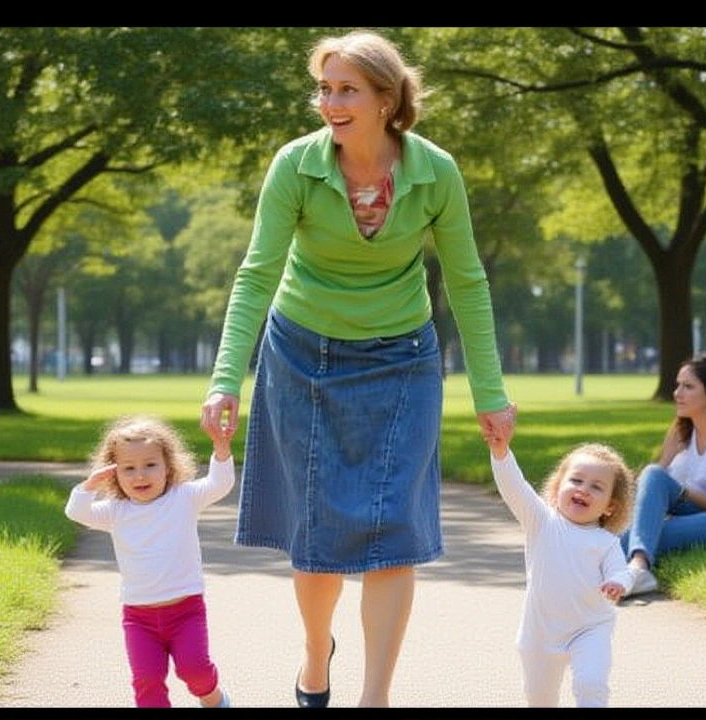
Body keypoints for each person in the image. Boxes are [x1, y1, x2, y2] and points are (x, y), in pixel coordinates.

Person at [199, 29, 516, 708]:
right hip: (302, 353)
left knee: (393, 525)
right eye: (324, 88)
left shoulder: (435, 172)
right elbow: (256, 275)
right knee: (314, 530)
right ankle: (317, 654)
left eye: (346, 89)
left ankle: (375, 697)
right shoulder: (296, 166)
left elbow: (467, 281)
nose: (330, 102)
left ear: (386, 98)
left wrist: (491, 392)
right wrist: (226, 377)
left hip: (402, 358)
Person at [64, 413, 235, 708]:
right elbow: (77, 513)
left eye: (150, 465)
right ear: (113, 473)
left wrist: (221, 450)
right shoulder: (116, 510)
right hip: (139, 618)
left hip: (186, 611)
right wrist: (89, 487)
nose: (140, 476)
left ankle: (214, 699)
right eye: (128, 468)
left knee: (194, 671)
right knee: (147, 681)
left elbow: (219, 484)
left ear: (168, 467)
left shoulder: (184, 497)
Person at [488, 435, 634, 707]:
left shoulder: (607, 543)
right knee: (539, 699)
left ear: (610, 507)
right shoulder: (542, 522)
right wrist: (500, 452)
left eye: (597, 487)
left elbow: (621, 570)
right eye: (576, 481)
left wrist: (617, 582)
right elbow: (514, 487)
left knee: (591, 684)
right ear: (557, 489)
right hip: (540, 634)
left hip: (590, 628)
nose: (584, 489)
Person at [619, 353, 706, 598]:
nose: (677, 393)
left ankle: (639, 566)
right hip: (697, 511)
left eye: (688, 386)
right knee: (651, 476)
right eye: (678, 385)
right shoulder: (681, 429)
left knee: (636, 539)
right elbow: (653, 485)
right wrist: (669, 457)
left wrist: (679, 491)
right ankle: (635, 564)